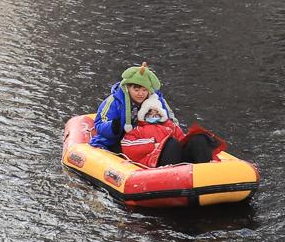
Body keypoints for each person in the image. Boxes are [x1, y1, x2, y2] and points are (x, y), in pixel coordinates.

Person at [93, 63, 223, 166]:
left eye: (144, 90)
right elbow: (100, 124)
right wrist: (114, 127)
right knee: (170, 145)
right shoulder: (115, 101)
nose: (140, 94)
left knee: (199, 139)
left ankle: (204, 171)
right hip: (121, 140)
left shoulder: (157, 101)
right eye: (136, 89)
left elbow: (171, 120)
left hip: (158, 140)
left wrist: (172, 136)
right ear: (127, 88)